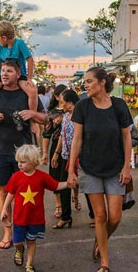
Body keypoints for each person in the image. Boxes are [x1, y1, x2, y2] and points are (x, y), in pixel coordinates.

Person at [0, 59, 47, 250]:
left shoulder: (27, 93)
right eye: (3, 71)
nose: (4, 74)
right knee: (4, 191)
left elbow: (45, 118)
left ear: (18, 74)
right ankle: (7, 231)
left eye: (9, 71)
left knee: (24, 192)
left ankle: (23, 229)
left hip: (24, 152)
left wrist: (32, 115)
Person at [67, 67, 133, 272]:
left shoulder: (119, 106)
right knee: (100, 216)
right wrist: (71, 170)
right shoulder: (82, 106)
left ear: (102, 82)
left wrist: (126, 167)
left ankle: (100, 240)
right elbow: (77, 140)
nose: (85, 85)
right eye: (84, 81)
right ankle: (105, 262)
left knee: (115, 217)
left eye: (89, 81)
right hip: (90, 167)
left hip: (115, 168)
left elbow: (126, 137)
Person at [1, 145, 68, 272]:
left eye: (23, 162)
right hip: (20, 218)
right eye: (18, 161)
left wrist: (68, 184)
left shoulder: (42, 176)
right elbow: (10, 193)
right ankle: (19, 251)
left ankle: (29, 264)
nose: (19, 165)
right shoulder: (16, 177)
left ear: (33, 162)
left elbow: (55, 185)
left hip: (35, 218)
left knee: (31, 241)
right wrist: (4, 208)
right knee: (17, 242)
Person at [0, 20, 37, 134]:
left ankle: (32, 121)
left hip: (19, 75)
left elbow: (30, 59)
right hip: (4, 76)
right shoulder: (0, 47)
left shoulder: (19, 44)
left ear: (4, 38)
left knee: (32, 92)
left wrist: (29, 78)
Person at [51, 89, 80, 229]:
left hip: (80, 157)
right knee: (64, 186)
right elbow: (62, 136)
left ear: (69, 103)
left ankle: (94, 215)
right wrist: (56, 153)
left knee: (85, 185)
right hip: (65, 156)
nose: (60, 104)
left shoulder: (80, 117)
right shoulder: (66, 116)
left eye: (62, 101)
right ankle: (66, 217)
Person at [41, 84, 67, 219]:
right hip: (56, 146)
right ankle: (58, 204)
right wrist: (45, 153)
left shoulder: (73, 111)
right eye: (63, 94)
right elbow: (46, 135)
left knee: (69, 175)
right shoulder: (51, 113)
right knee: (55, 176)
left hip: (71, 147)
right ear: (56, 96)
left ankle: (72, 200)